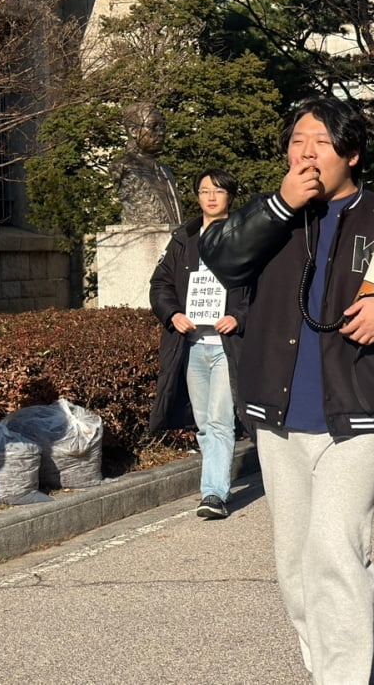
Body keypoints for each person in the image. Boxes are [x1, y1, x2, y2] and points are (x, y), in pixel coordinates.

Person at [199, 96, 374, 682]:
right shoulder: (268, 216)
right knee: (294, 564)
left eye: (319, 142)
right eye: (296, 140)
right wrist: (281, 204)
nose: (305, 152)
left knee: (337, 555)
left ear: (352, 153)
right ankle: (322, 669)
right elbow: (219, 260)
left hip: (359, 411)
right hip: (279, 413)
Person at [149, 169, 248, 519]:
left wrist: (238, 315)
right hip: (190, 344)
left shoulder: (245, 236)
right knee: (205, 423)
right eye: (204, 190)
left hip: (226, 346)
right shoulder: (183, 238)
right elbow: (160, 285)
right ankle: (213, 486)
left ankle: (214, 493)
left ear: (229, 196)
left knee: (220, 421)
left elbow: (262, 289)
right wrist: (172, 314)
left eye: (218, 191)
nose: (210, 196)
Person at [114, 101, 184, 228]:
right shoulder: (124, 167)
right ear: (134, 131)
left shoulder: (165, 170)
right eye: (153, 126)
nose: (161, 133)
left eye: (162, 127)